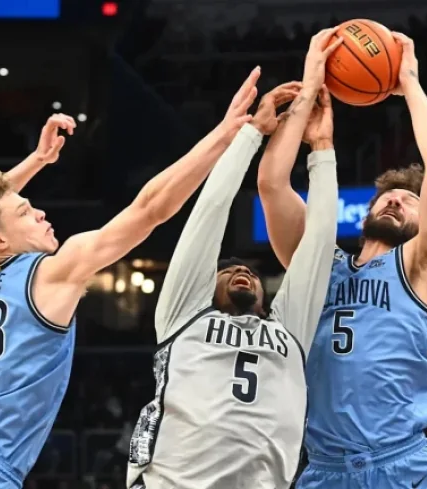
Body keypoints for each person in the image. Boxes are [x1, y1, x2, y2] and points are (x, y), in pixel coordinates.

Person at [0, 69, 261, 489]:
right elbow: (148, 210)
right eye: (25, 214)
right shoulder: (48, 275)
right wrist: (222, 136)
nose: (40, 213)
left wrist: (37, 161)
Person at [126, 29, 342, 489]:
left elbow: (319, 243)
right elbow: (210, 211)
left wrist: (322, 150)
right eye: (228, 271)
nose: (243, 270)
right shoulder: (183, 313)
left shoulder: (290, 329)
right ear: (208, 286)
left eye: (249, 271)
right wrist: (251, 135)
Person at [257, 32, 427, 488]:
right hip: (325, 470)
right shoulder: (317, 265)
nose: (395, 202)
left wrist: (408, 80)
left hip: (405, 464)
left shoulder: (422, 267)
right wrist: (309, 93)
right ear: (367, 211)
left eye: (409, 201)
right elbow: (272, 185)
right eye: (388, 197)